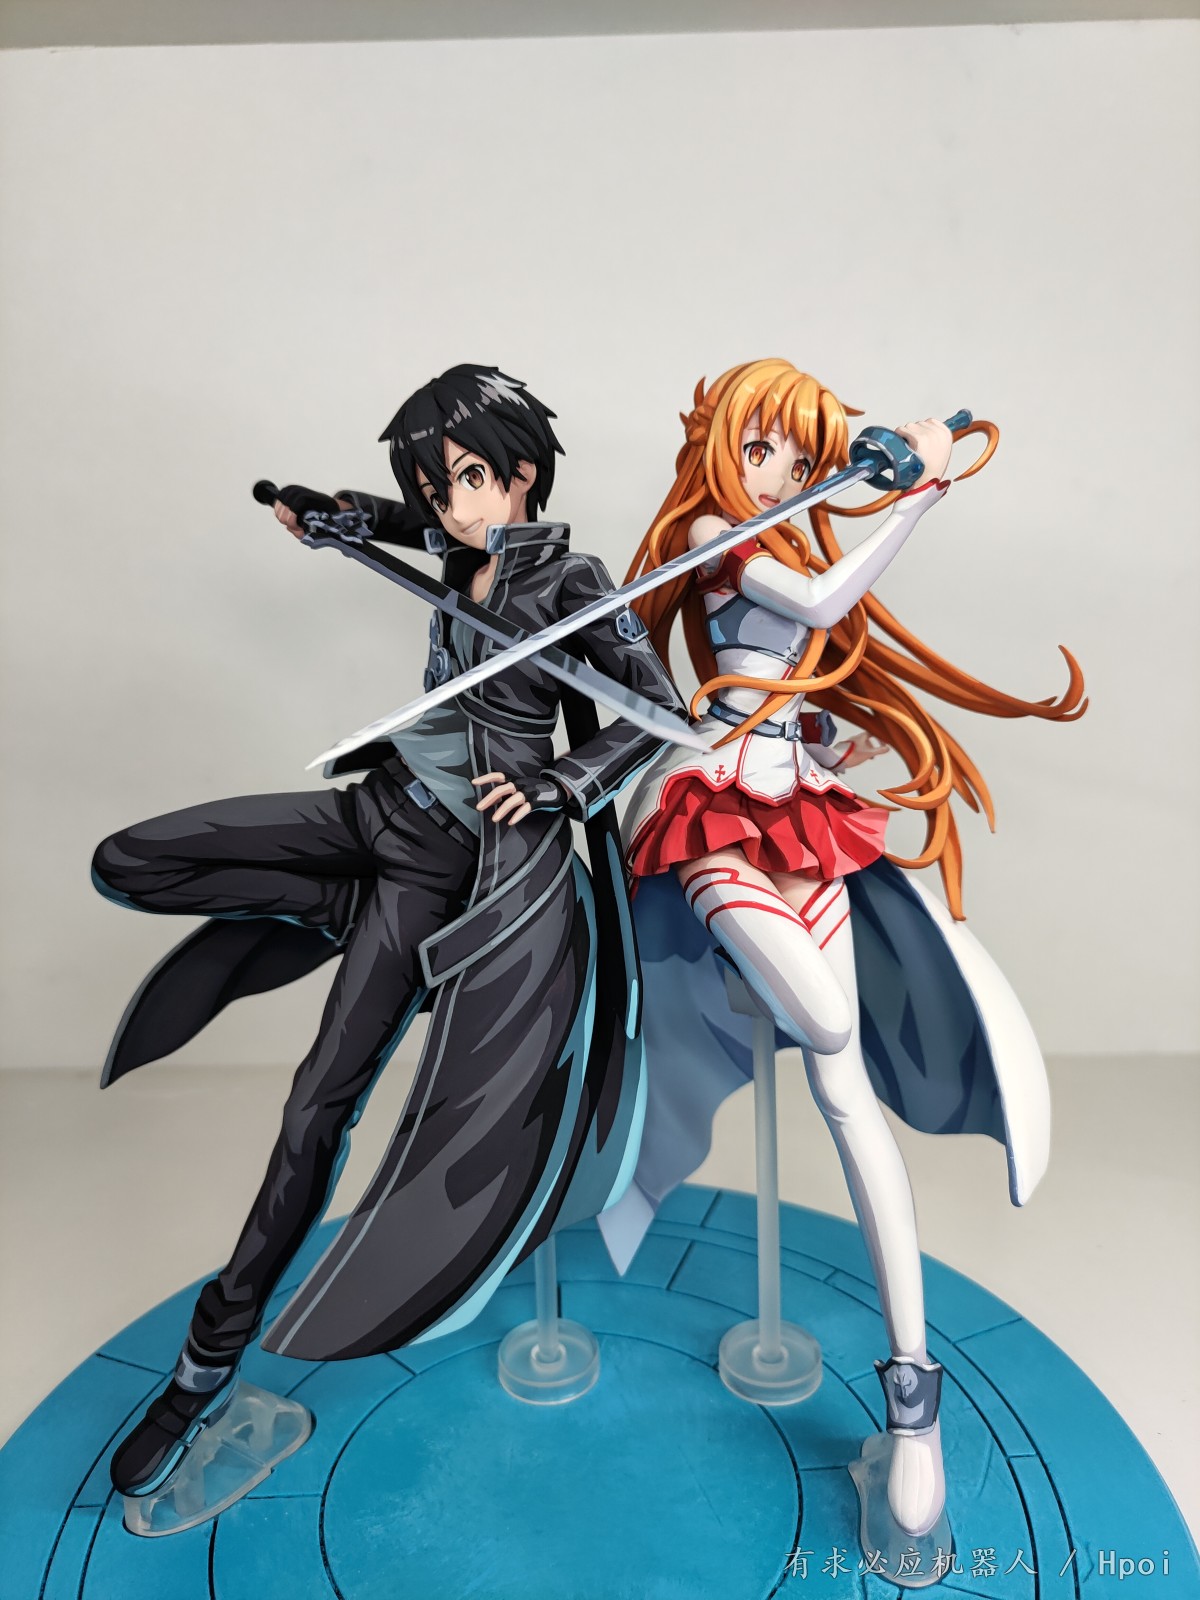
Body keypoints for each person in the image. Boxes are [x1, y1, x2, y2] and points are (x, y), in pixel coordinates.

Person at [91, 364, 687, 1499]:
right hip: (374, 808)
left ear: (521, 471)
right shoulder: (457, 548)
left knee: (314, 1108)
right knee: (132, 859)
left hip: (440, 871)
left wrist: (561, 781)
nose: (449, 505)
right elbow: (403, 526)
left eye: (467, 478)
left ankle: (203, 1365)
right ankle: (330, 910)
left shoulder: (572, 583)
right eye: (432, 485)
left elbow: (662, 711)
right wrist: (337, 514)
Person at [599, 358, 1086, 1537]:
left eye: (803, 460)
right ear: (723, 446)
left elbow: (805, 660)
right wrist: (919, 495)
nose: (780, 475)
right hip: (715, 815)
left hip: (801, 810)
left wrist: (824, 736)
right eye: (763, 448)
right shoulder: (717, 535)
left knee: (846, 1088)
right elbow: (813, 609)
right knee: (824, 1017)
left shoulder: (783, 541)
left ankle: (913, 1404)